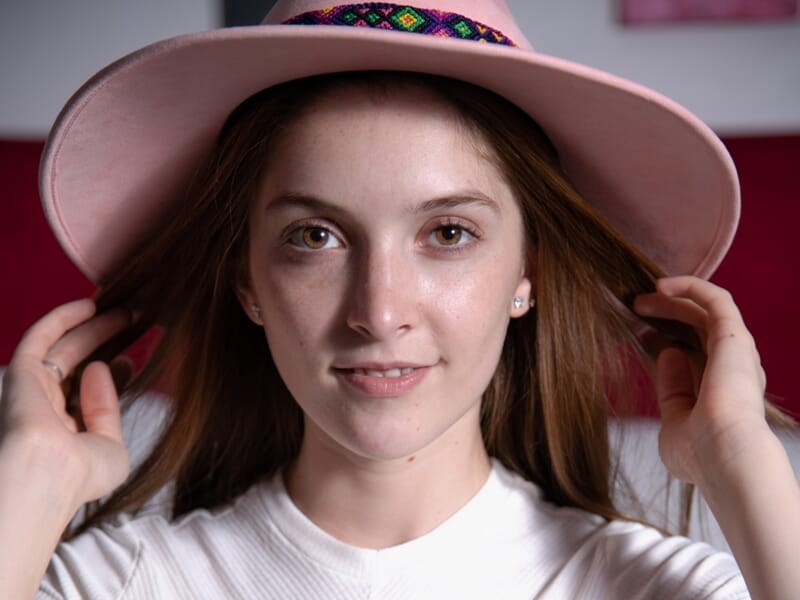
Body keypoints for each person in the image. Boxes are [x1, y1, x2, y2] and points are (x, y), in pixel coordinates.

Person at [1, 1, 798, 598]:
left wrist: (742, 465)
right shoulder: (114, 584)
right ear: (246, 280)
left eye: (447, 234)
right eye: (315, 237)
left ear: (532, 275)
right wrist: (30, 483)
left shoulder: (662, 590)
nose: (379, 312)